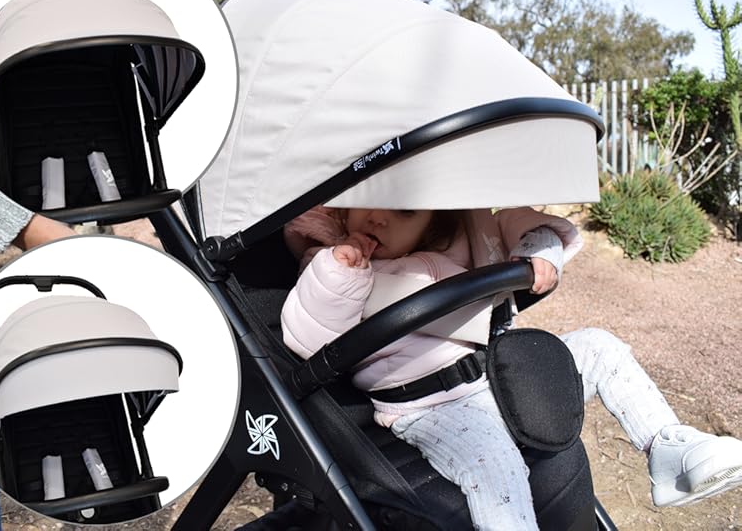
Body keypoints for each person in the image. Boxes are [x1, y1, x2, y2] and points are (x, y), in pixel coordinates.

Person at [281, 205, 742, 530]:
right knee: (494, 466)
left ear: (432, 220)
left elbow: (536, 228)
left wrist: (540, 256)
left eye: (403, 212)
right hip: (429, 407)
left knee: (600, 347)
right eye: (369, 201)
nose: (378, 217)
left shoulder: (467, 237)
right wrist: (338, 271)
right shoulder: (336, 263)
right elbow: (309, 337)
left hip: (499, 372)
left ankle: (667, 448)